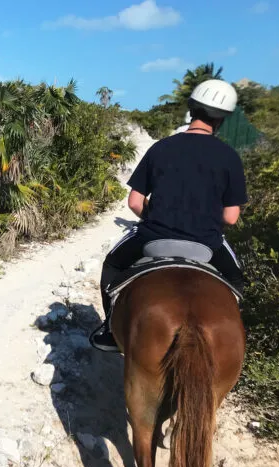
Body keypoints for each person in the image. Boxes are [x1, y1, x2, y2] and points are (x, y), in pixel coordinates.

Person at [90, 79, 247, 352]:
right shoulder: (229, 156)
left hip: (154, 237)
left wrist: (159, 215)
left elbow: (135, 202)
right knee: (235, 281)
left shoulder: (161, 148)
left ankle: (110, 329)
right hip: (208, 243)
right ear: (222, 118)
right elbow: (232, 218)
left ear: (192, 108)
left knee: (112, 266)